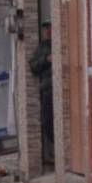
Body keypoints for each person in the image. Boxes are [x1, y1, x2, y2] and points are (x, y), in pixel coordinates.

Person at [28, 21, 53, 163]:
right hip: (47, 89)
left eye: (50, 28)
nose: (48, 31)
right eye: (46, 29)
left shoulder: (62, 42)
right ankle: (53, 149)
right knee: (47, 120)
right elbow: (33, 66)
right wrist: (46, 59)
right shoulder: (42, 47)